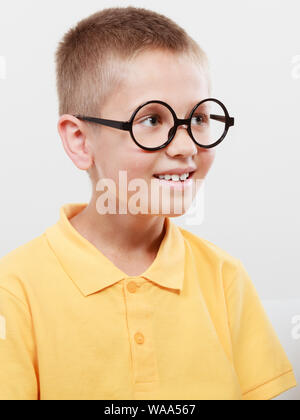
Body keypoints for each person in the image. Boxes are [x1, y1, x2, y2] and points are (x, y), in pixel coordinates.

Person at [0, 6, 297, 400]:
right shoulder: (15, 289)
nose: (186, 146)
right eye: (153, 120)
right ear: (79, 140)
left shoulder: (225, 278)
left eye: (199, 119)